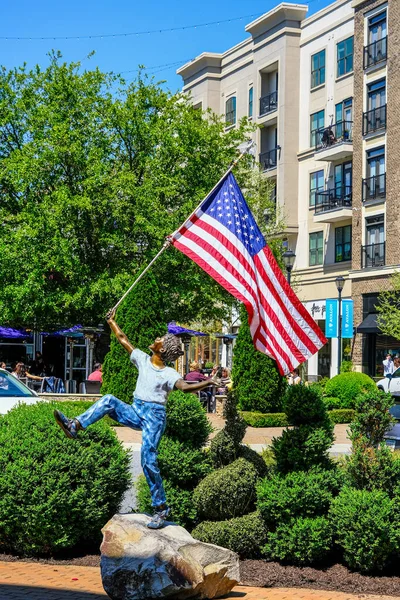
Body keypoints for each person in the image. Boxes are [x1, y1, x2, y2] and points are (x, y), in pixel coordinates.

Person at [54, 309, 220, 530]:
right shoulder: (142, 359)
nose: (156, 339)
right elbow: (123, 340)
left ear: (164, 350)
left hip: (154, 417)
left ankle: (161, 509)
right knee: (109, 400)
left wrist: (208, 382)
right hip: (136, 409)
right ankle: (75, 425)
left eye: (160, 340)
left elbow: (186, 387)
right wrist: (111, 321)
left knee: (147, 460)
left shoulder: (169, 373)